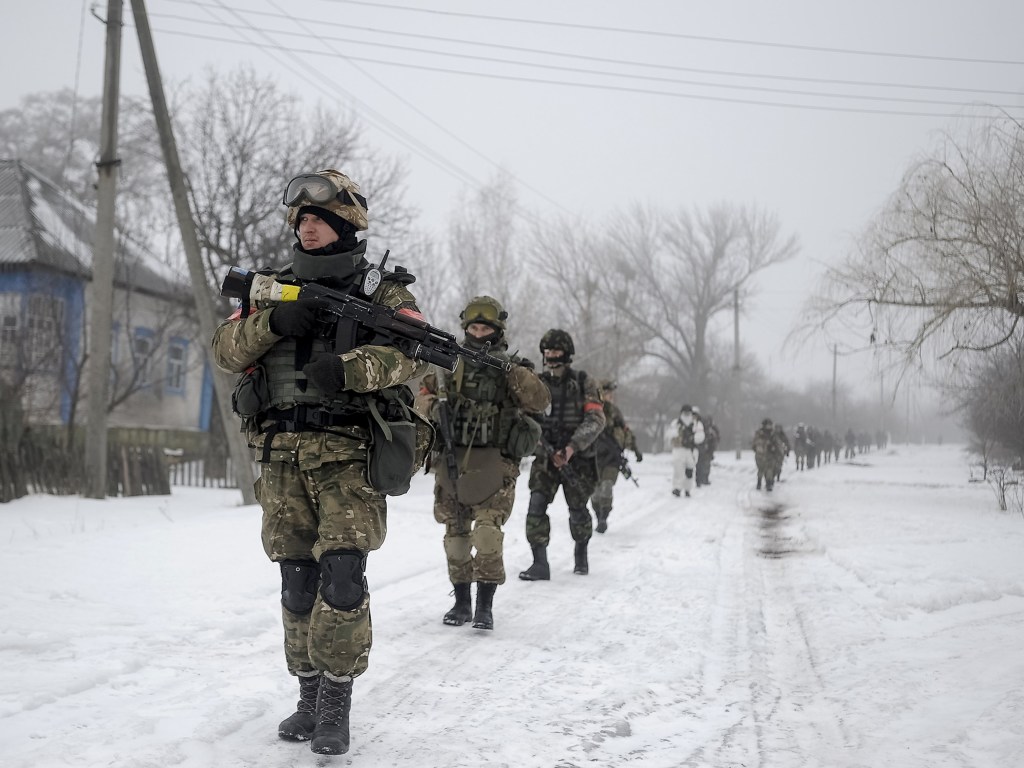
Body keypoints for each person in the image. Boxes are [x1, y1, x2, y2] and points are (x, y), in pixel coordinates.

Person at [211, 169, 429, 756]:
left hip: (346, 459)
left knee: (341, 576)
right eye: (301, 220)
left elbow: (412, 356)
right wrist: (272, 323)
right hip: (280, 454)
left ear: (345, 225)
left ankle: (336, 701)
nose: (306, 229)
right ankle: (307, 695)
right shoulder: (273, 288)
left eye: (318, 221)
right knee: (296, 578)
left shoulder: (383, 294)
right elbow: (225, 350)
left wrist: (353, 370)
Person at [416, 296, 549, 631]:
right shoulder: (450, 362)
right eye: (473, 326)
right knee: (456, 536)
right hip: (454, 458)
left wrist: (511, 370)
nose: (478, 331)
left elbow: (541, 400)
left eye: (485, 326)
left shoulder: (510, 368)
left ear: (497, 329)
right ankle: (461, 602)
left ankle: (484, 606)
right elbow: (421, 396)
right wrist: (433, 408)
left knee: (487, 535)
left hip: (496, 461)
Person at [519, 329, 606, 580]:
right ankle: (540, 563)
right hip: (546, 456)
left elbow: (596, 419)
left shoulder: (583, 382)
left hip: (577, 459)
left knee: (578, 509)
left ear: (566, 354)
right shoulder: (537, 382)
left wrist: (571, 447)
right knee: (536, 506)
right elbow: (524, 416)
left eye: (555, 351)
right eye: (547, 351)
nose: (550, 355)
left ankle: (581, 553)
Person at [590, 379, 643, 534]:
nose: (610, 396)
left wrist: (636, 450)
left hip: (612, 458)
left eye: (610, 393)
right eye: (607, 393)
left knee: (606, 486)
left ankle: (603, 518)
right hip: (593, 457)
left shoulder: (614, 412)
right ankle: (598, 514)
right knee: (594, 492)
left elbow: (625, 431)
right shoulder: (590, 410)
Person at [671, 404, 705, 497]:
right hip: (679, 449)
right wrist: (679, 438)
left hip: (691, 450)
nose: (686, 415)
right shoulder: (676, 423)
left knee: (689, 471)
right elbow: (671, 434)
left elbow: (701, 436)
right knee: (678, 470)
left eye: (688, 413)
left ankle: (687, 489)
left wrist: (692, 438)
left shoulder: (696, 424)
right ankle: (677, 488)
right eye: (684, 413)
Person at [752, 417, 784, 491]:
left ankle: (768, 483)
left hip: (769, 455)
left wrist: (777, 451)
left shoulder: (772, 434)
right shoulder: (760, 434)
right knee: (761, 470)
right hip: (761, 455)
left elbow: (778, 444)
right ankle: (760, 482)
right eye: (768, 425)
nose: (769, 427)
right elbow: (754, 445)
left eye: (770, 425)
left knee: (769, 470)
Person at [694, 409, 719, 487]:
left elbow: (715, 438)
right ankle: (703, 479)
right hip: (705, 449)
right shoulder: (709, 429)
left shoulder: (710, 429)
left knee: (703, 464)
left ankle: (702, 479)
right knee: (703, 464)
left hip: (706, 449)